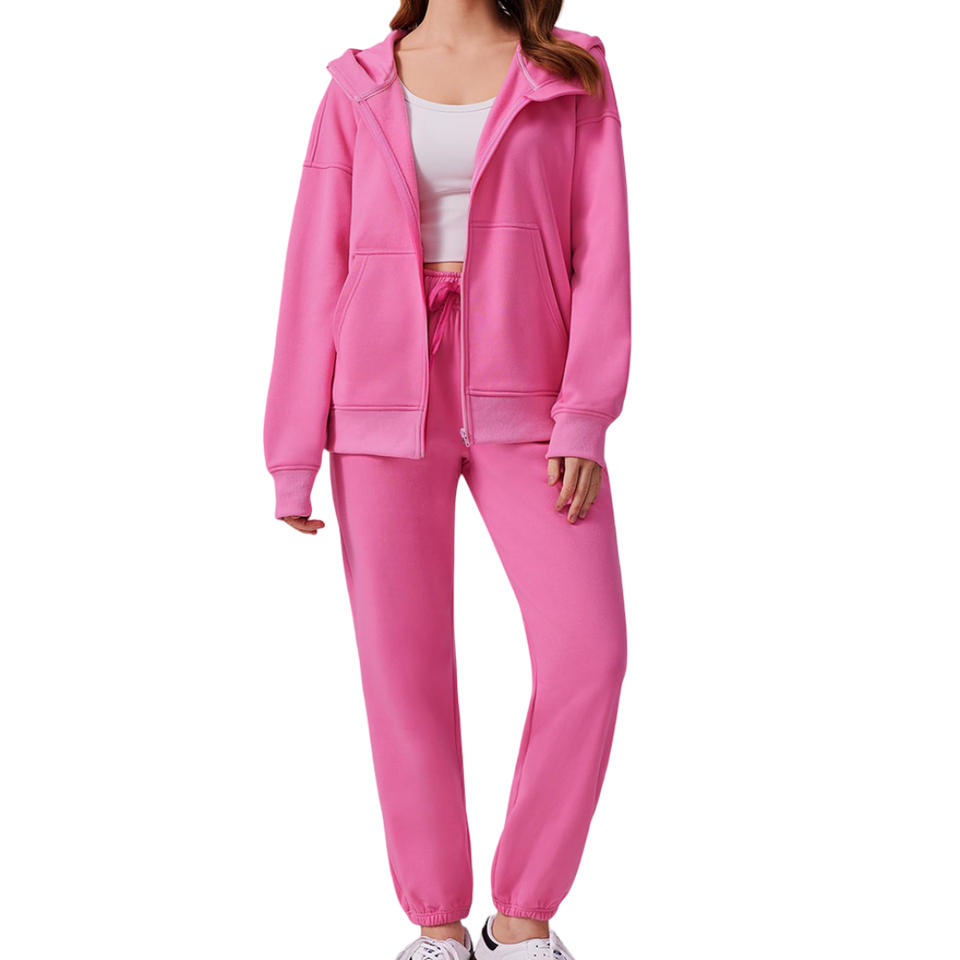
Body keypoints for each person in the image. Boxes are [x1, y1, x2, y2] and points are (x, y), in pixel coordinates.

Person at [263, 2, 631, 957]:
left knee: (590, 653)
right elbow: (314, 263)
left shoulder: (569, 74)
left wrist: (584, 414)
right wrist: (292, 448)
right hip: (381, 398)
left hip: (533, 397)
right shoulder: (356, 88)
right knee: (404, 668)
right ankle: (437, 927)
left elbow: (604, 248)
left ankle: (523, 917)